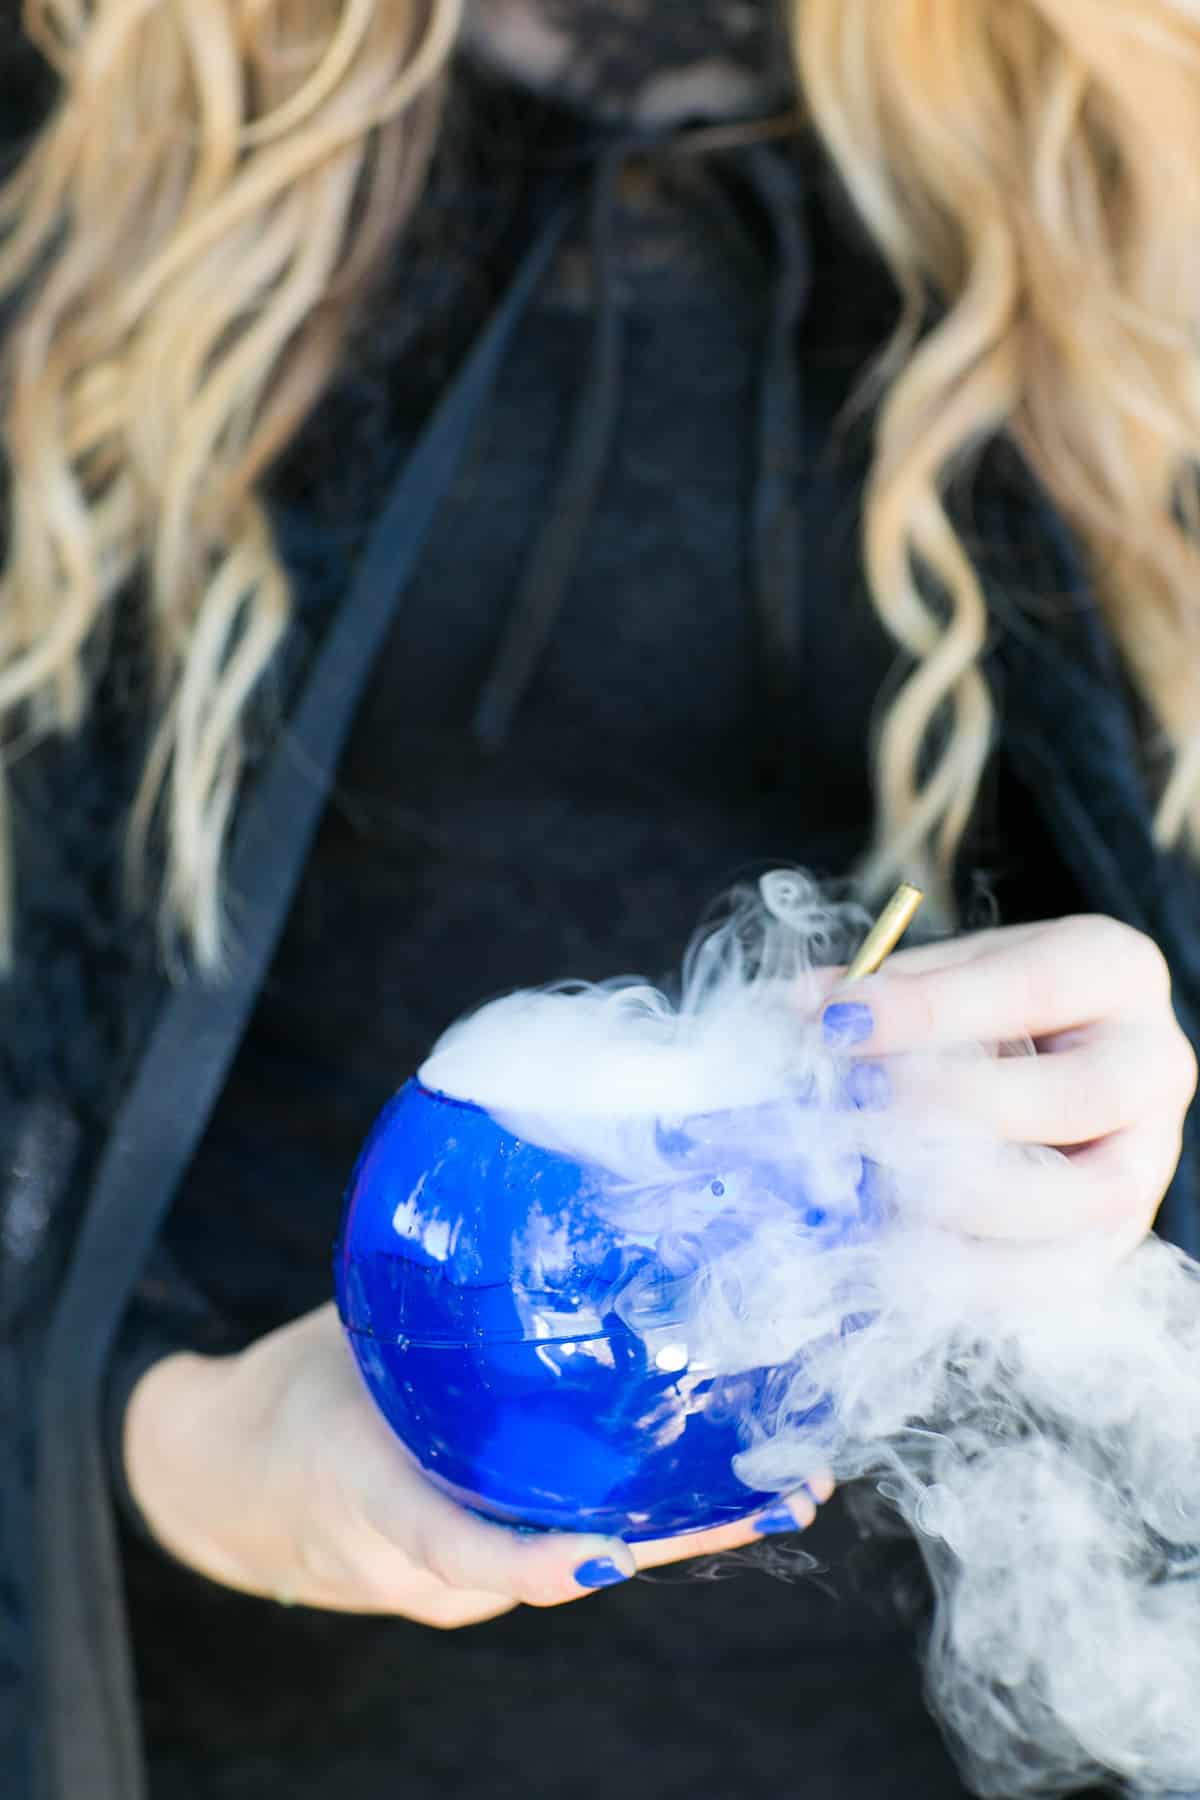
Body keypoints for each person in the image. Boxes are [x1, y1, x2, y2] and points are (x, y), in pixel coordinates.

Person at [1, 2, 1198, 1796]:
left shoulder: (1139, 147)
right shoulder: (78, 126)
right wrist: (170, 1440)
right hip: (218, 1687)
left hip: (931, 1718)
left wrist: (1124, 1125)